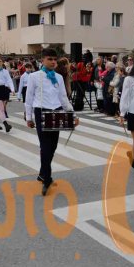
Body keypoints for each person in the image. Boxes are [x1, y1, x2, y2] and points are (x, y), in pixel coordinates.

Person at [25, 48, 80, 196]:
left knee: (53, 146)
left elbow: (63, 98)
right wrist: (29, 117)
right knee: (45, 146)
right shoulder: (34, 77)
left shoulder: (59, 77)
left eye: (55, 59)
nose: (53, 62)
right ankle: (47, 179)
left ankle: (42, 173)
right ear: (42, 60)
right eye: (50, 59)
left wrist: (73, 115)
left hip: (56, 112)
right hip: (41, 112)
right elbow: (29, 98)